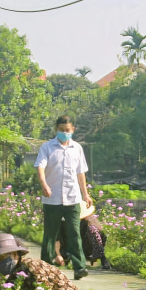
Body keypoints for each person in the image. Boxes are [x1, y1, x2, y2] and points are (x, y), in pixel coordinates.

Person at [35, 115, 93, 281]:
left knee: (74, 233)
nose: (64, 133)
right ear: (56, 130)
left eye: (67, 130)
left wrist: (85, 194)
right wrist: (44, 184)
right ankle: (45, 269)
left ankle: (79, 267)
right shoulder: (47, 147)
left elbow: (80, 172)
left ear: (72, 130)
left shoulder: (77, 148)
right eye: (61, 130)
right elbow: (40, 167)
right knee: (50, 235)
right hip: (52, 198)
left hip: (72, 197)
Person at [55, 203, 111, 269]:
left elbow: (99, 241)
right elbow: (58, 238)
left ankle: (101, 259)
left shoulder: (91, 226)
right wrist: (58, 254)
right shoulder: (64, 222)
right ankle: (66, 258)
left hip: (87, 248)